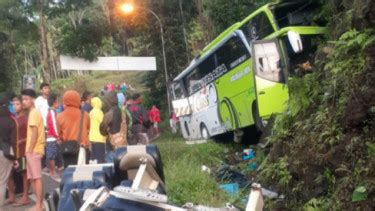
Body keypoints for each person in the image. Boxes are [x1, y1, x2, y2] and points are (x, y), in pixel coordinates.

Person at [22, 89, 45, 211]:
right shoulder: (32, 112)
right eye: (23, 99)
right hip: (32, 150)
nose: (23, 101)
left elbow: (35, 132)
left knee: (36, 178)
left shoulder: (34, 113)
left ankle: (39, 206)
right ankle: (38, 205)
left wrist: (30, 150)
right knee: (32, 178)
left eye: (26, 99)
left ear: (32, 100)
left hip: (34, 150)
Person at [57, 90, 90, 167]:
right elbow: (88, 129)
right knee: (84, 175)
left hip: (68, 150)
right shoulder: (85, 115)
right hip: (83, 149)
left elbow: (59, 135)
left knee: (70, 175)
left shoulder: (59, 116)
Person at [7, 96, 30, 207]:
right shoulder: (13, 118)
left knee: (24, 174)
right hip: (12, 151)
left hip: (23, 151)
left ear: (22, 105)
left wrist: (21, 141)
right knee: (9, 174)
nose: (15, 106)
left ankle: (25, 197)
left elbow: (29, 136)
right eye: (13, 104)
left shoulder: (25, 119)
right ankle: (12, 196)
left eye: (17, 104)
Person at [0, 96, 17, 207]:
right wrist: (16, 158)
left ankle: (10, 197)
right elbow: (13, 141)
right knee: (2, 181)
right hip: (5, 153)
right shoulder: (11, 121)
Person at [45, 94, 59, 177]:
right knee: (52, 156)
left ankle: (52, 171)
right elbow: (54, 125)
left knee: (51, 155)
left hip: (50, 136)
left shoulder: (49, 111)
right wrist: (57, 136)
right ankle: (53, 172)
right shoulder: (52, 112)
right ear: (54, 103)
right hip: (52, 137)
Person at [89, 97, 106, 163]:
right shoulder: (99, 112)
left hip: (92, 137)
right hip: (99, 137)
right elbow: (103, 123)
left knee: (94, 158)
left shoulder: (91, 112)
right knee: (100, 158)